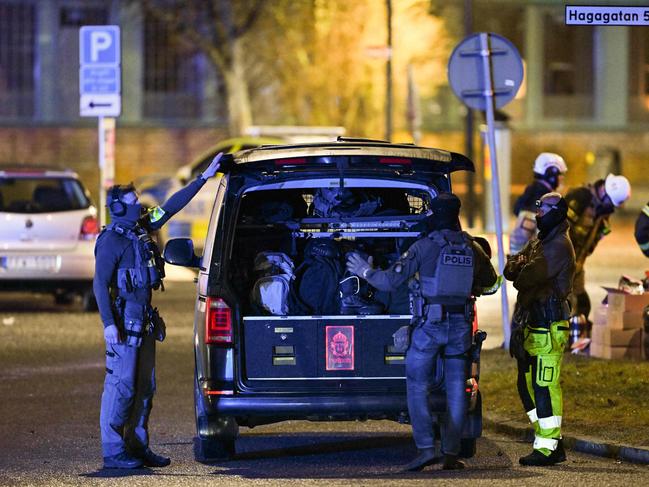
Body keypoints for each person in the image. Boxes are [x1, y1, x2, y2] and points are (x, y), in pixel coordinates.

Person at [346, 193, 497, 471]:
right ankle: (451, 453)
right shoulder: (471, 247)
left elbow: (390, 282)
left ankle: (426, 449)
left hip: (430, 328)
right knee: (456, 391)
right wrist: (468, 287)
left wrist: (365, 271)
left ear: (434, 214)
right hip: (460, 328)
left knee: (417, 385)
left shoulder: (424, 247)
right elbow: (492, 284)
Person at [94, 153, 223, 469]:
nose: (139, 204)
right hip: (124, 324)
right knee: (121, 386)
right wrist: (109, 324)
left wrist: (204, 178)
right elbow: (99, 285)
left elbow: (171, 205)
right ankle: (113, 451)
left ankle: (136, 446)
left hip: (144, 321)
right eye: (132, 201)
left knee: (145, 388)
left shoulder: (141, 227)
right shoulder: (111, 241)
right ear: (118, 208)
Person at [505, 192, 575, 466]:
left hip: (549, 324)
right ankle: (548, 439)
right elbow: (511, 269)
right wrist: (520, 265)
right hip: (533, 323)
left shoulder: (558, 246)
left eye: (544, 209)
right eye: (538, 208)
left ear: (557, 212)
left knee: (544, 385)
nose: (538, 213)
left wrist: (522, 267)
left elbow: (525, 278)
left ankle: (547, 446)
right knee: (526, 385)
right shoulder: (541, 242)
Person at [564, 174, 631, 333]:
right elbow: (557, 229)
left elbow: (590, 242)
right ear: (605, 193)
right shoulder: (580, 197)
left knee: (582, 304)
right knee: (562, 304)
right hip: (560, 262)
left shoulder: (602, 212)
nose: (612, 208)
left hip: (576, 263)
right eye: (611, 203)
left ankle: (576, 340)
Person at [510, 152, 567, 255]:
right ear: (551, 174)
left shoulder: (539, 196)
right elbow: (519, 241)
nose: (562, 178)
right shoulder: (537, 200)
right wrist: (520, 266)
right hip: (535, 263)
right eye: (560, 174)